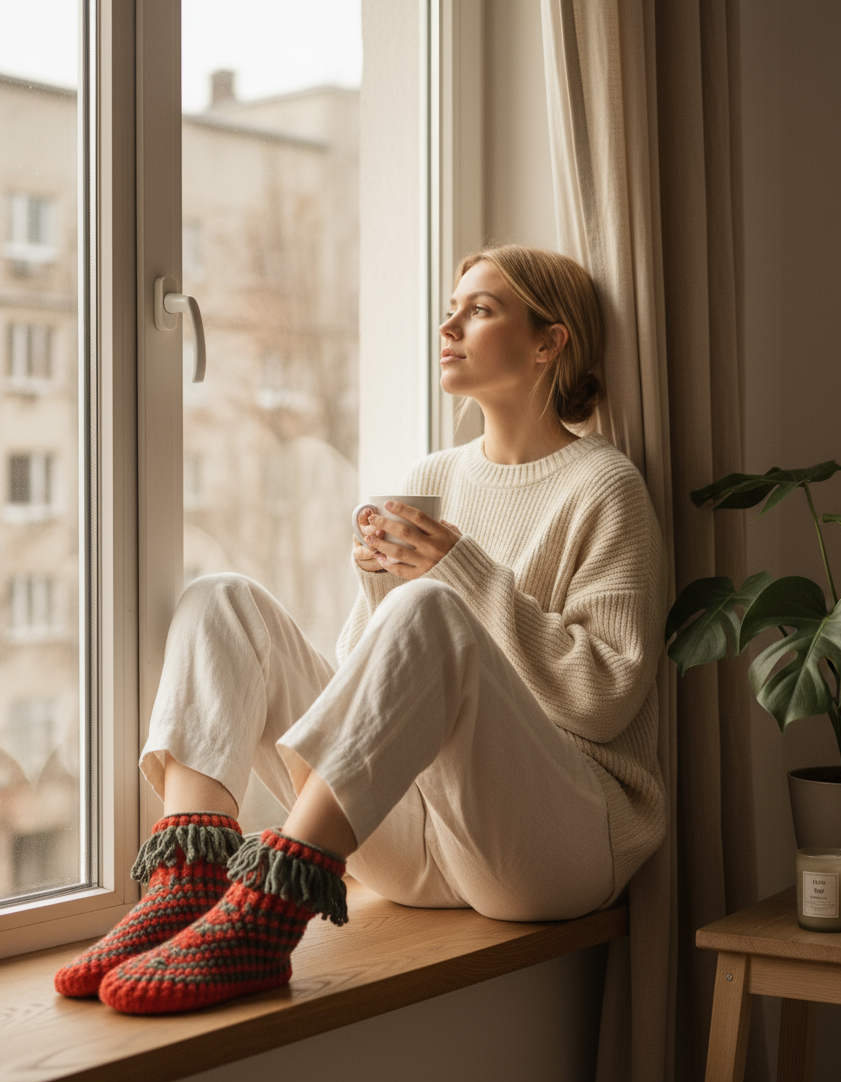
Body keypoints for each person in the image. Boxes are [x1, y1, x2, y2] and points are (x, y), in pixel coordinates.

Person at [55, 245, 666, 1015]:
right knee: (221, 598)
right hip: (415, 839)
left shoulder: (604, 485)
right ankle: (187, 881)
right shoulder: (435, 477)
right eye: (451, 306)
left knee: (430, 607)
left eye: (479, 309)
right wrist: (377, 582)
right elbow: (368, 700)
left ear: (550, 342)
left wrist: (459, 573)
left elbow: (602, 700)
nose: (448, 324)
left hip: (554, 848)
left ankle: (266, 911)